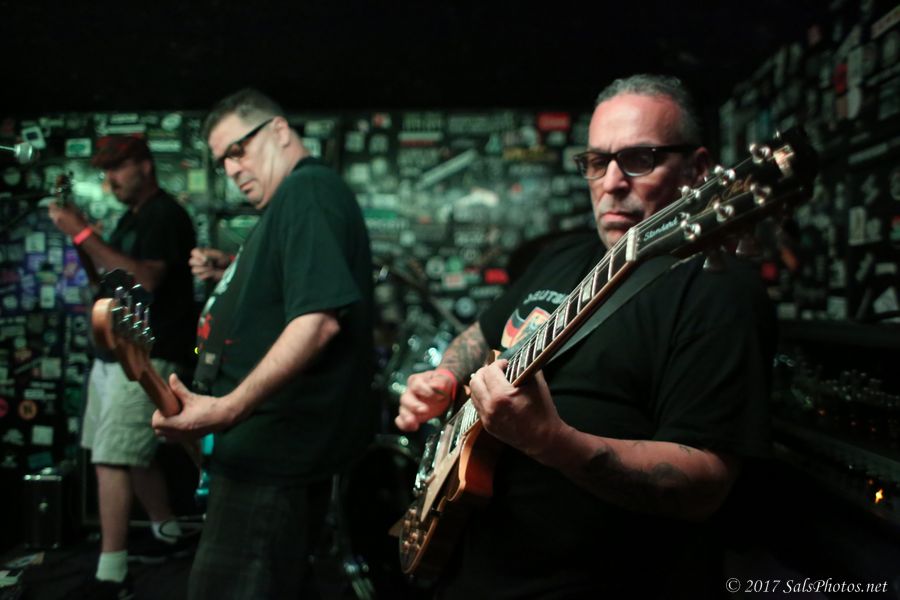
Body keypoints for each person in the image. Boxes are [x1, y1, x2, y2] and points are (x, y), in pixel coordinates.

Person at [396, 74, 776, 598]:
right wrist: (444, 377)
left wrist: (552, 442)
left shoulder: (718, 290)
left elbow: (704, 487)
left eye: (639, 159)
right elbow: (480, 334)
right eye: (598, 161)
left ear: (698, 168)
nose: (612, 182)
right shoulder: (564, 256)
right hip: (471, 567)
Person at [151, 88, 377, 599]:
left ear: (278, 130)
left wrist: (229, 408)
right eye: (222, 161)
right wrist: (229, 273)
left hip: (272, 455)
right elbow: (289, 293)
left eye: (239, 150)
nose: (232, 169)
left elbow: (317, 320)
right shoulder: (294, 200)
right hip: (265, 452)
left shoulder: (307, 189)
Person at [48, 135, 198, 598]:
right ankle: (168, 533)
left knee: (114, 455)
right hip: (116, 352)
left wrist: (81, 232)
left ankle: (112, 575)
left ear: (145, 166)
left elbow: (146, 279)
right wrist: (84, 241)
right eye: (105, 170)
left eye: (118, 167)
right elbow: (109, 277)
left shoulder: (164, 215)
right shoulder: (133, 218)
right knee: (124, 451)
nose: (110, 178)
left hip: (145, 354)